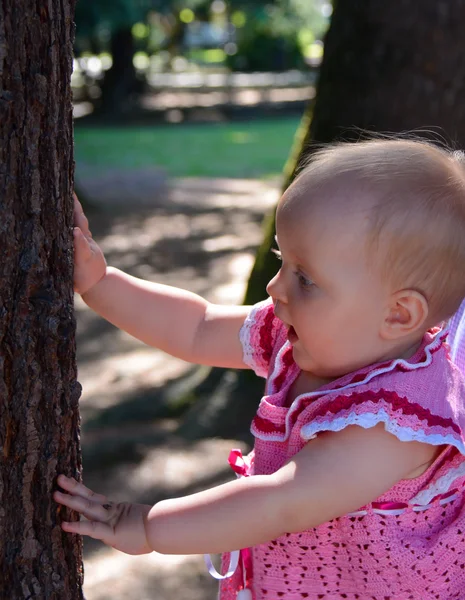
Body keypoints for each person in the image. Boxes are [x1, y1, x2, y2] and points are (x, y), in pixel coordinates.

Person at [55, 139, 465, 599]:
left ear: (398, 315)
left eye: (304, 278)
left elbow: (279, 502)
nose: (275, 286)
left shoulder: (395, 427)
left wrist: (149, 527)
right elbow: (197, 327)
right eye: (281, 261)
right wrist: (100, 282)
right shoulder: (306, 333)